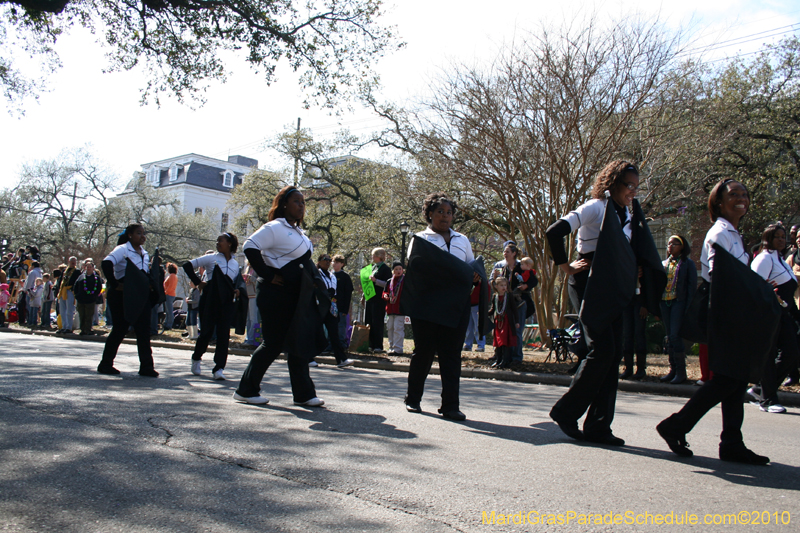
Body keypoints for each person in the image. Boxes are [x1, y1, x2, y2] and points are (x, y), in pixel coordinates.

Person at [657, 179, 776, 465]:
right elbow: (720, 276)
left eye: (744, 194)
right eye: (733, 194)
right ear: (718, 202)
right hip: (724, 311)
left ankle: (731, 443)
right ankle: (676, 426)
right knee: (727, 379)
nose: (741, 198)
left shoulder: (734, 233)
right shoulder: (719, 233)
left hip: (736, 310)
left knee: (734, 380)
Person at [545, 161, 642, 446]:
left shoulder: (628, 214)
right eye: (628, 185)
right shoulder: (596, 207)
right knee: (603, 350)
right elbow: (554, 231)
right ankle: (566, 411)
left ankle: (599, 426)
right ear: (612, 183)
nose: (632, 192)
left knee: (613, 354)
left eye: (636, 187)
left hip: (615, 286)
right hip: (589, 282)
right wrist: (565, 266)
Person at [234, 186, 327, 407]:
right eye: (297, 201)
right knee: (273, 343)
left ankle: (304, 394)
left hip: (296, 295)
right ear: (284, 204)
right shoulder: (275, 227)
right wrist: (267, 274)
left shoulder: (299, 232)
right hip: (275, 294)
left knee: (298, 341)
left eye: (303, 202)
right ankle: (245, 390)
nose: (301, 206)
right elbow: (250, 246)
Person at [403, 192, 476, 421]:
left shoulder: (462, 239)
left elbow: (469, 266)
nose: (445, 216)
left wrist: (474, 275)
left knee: (451, 354)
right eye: (440, 212)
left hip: (456, 305)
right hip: (427, 304)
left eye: (449, 212)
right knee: (424, 352)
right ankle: (413, 399)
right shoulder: (419, 239)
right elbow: (416, 268)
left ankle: (450, 406)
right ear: (429, 214)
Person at [747, 223, 799, 413]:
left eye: (783, 236)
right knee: (768, 356)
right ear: (767, 239)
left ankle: (760, 389)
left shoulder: (782, 260)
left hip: (784, 314)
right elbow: (755, 286)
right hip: (767, 314)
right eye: (777, 236)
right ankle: (768, 400)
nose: (781, 240)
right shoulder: (764, 259)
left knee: (792, 352)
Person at [97, 224, 158, 377]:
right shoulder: (122, 249)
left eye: (144, 233)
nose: (142, 236)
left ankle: (146, 367)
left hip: (140, 295)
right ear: (130, 235)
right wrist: (114, 283)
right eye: (139, 233)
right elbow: (106, 263)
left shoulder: (145, 253)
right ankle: (105, 364)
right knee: (120, 329)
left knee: (143, 330)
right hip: (122, 295)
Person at [183, 233, 245, 380]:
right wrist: (198, 282)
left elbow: (237, 282)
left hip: (227, 301)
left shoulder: (236, 264)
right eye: (217, 241)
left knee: (224, 335)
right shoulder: (212, 258)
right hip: (210, 299)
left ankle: (219, 368)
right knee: (206, 332)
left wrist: (237, 291)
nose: (217, 243)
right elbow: (187, 265)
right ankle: (196, 358)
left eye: (220, 241)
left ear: (229, 243)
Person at [658, 235, 697, 384]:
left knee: (675, 335)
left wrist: (688, 307)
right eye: (669, 243)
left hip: (678, 303)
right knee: (669, 337)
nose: (671, 246)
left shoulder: (688, 264)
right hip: (664, 302)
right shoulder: (664, 263)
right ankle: (672, 370)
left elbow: (691, 287)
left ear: (682, 246)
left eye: (675, 243)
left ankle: (681, 372)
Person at [316, 253, 354, 367]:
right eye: (325, 259)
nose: (328, 262)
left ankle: (341, 359)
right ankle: (307, 358)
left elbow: (334, 292)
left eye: (329, 260)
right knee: (314, 331)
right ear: (319, 261)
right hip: (318, 307)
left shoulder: (331, 276)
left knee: (334, 333)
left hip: (331, 307)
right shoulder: (316, 273)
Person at [365, 248, 392, 353]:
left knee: (377, 321)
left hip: (379, 300)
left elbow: (388, 284)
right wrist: (364, 295)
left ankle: (378, 345)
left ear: (379, 256)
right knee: (369, 320)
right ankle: (369, 344)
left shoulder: (385, 269)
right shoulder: (372, 267)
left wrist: (376, 281)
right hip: (370, 297)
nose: (372, 257)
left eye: (374, 255)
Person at [488, 276, 517, 369]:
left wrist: (517, 321)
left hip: (507, 321)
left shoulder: (509, 296)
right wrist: (485, 313)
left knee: (505, 342)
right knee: (498, 341)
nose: (504, 287)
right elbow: (493, 309)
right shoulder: (495, 297)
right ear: (496, 286)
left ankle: (505, 361)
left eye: (505, 285)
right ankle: (498, 359)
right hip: (498, 321)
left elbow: (514, 309)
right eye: (501, 285)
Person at [72, 259, 103, 336]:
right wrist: (77, 295)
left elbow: (99, 288)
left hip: (91, 300)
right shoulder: (81, 277)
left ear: (93, 268)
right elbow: (75, 286)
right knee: (82, 315)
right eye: (87, 267)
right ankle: (83, 329)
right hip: (81, 300)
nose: (89, 268)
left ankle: (88, 329)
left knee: (89, 315)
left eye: (90, 267)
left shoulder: (96, 278)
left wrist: (94, 296)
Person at [383, 261, 406, 355]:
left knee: (398, 328)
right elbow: (385, 292)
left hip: (400, 309)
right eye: (396, 269)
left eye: (400, 269)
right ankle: (391, 346)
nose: (398, 271)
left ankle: (398, 348)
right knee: (390, 328)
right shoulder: (389, 281)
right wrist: (385, 296)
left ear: (403, 270)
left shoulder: (405, 281)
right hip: (390, 308)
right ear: (393, 271)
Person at [332, 255, 354, 349]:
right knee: (331, 326)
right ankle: (330, 344)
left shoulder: (345, 277)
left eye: (337, 262)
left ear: (342, 264)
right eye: (333, 262)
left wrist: (346, 309)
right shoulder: (330, 275)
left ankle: (341, 344)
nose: (334, 264)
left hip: (341, 307)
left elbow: (348, 294)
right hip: (331, 306)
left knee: (341, 326)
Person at [462, 279, 486, 352]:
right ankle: (468, 345)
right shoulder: (468, 280)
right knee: (468, 328)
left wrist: (483, 307)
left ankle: (481, 345)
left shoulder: (483, 283)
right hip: (468, 306)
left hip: (478, 307)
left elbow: (486, 295)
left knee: (478, 327)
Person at [57, 257, 78, 334]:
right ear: (69, 261)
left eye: (74, 261)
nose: (73, 263)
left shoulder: (77, 271)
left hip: (70, 291)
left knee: (69, 310)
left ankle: (69, 327)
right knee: (62, 310)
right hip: (63, 291)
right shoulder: (64, 270)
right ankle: (63, 326)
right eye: (72, 261)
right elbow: (61, 281)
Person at [242, 259, 259, 347]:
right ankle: (248, 338)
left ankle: (253, 339)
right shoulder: (247, 268)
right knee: (248, 319)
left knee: (253, 318)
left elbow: (259, 281)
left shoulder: (257, 268)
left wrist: (251, 278)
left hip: (254, 296)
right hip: (247, 295)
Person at [24, 260, 42, 326]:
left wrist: (26, 289)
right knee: (35, 308)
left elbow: (29, 282)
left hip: (31, 291)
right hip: (38, 292)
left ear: (33, 266)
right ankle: (34, 320)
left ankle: (30, 321)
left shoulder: (32, 272)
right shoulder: (40, 272)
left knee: (30, 307)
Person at [163, 263, 178, 330]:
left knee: (169, 310)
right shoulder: (173, 276)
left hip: (169, 294)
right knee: (168, 310)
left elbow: (170, 286)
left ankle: (169, 324)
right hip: (170, 294)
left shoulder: (172, 276)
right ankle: (166, 323)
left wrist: (165, 292)